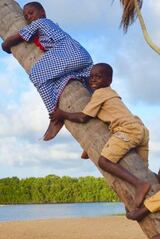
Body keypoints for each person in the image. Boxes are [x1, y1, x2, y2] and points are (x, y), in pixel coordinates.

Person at [50, 63, 150, 208]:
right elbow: (104, 123)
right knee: (143, 170)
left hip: (128, 130)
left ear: (109, 80)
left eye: (98, 76)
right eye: (91, 77)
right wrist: (88, 149)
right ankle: (147, 194)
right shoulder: (111, 94)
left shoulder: (100, 93)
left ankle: (139, 185)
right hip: (141, 130)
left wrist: (62, 113)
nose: (93, 79)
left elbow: (84, 117)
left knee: (104, 162)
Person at [1, 2, 93, 141]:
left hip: (68, 52)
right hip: (81, 56)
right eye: (26, 16)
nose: (29, 18)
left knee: (37, 73)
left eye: (31, 13)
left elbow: (17, 37)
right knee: (69, 81)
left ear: (42, 13)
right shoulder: (51, 26)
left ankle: (54, 117)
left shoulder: (41, 23)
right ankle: (94, 123)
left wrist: (5, 44)